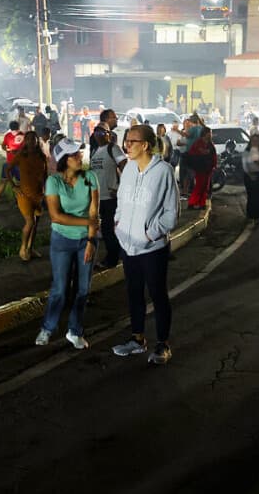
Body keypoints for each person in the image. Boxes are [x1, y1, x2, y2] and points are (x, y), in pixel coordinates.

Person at [111, 125, 180, 365]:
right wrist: (118, 224)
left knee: (158, 295)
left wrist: (150, 234)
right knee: (133, 293)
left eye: (131, 141)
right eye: (125, 141)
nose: (126, 146)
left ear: (146, 145)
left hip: (152, 249)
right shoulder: (128, 168)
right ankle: (137, 339)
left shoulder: (163, 171)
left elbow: (171, 213)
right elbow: (121, 201)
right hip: (128, 246)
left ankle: (163, 344)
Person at [35, 139, 100, 349]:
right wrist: (89, 222)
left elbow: (93, 211)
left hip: (86, 241)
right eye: (74, 155)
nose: (80, 156)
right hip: (62, 240)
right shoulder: (53, 182)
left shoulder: (90, 178)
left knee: (83, 289)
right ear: (64, 160)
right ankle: (48, 327)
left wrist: (91, 239)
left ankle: (74, 330)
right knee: (60, 289)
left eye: (79, 153)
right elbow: (56, 216)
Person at [7, 131, 48, 261]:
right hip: (24, 194)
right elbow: (8, 170)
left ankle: (30, 249)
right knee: (30, 222)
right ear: (25, 141)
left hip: (38, 194)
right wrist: (13, 186)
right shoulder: (21, 155)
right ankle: (23, 248)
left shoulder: (41, 157)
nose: (31, 141)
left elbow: (45, 175)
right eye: (29, 139)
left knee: (35, 224)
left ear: (37, 141)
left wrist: (47, 191)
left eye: (34, 139)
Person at [90, 128, 127, 270]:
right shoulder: (94, 151)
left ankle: (112, 259)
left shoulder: (113, 148)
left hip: (111, 197)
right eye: (96, 134)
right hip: (98, 197)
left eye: (102, 133)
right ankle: (115, 255)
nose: (99, 136)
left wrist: (119, 188)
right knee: (104, 230)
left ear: (108, 134)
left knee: (109, 229)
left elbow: (125, 167)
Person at [0, 121, 24, 206]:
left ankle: (17, 201)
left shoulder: (20, 136)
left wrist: (15, 151)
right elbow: (3, 145)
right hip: (12, 163)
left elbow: (26, 149)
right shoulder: (10, 136)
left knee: (11, 182)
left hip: (16, 164)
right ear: (18, 127)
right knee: (11, 182)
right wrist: (6, 149)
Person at [242, 133, 259, 223]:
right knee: (250, 196)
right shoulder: (247, 151)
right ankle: (250, 215)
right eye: (253, 140)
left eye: (257, 140)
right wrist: (250, 174)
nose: (255, 142)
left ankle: (257, 216)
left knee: (257, 196)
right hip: (248, 176)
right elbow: (244, 165)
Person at [186, 127, 216, 210]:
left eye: (211, 133)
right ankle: (192, 203)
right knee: (199, 186)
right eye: (209, 133)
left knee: (205, 186)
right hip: (200, 168)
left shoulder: (210, 143)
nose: (210, 134)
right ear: (205, 133)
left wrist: (214, 166)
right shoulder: (198, 142)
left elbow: (213, 155)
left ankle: (201, 203)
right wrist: (204, 152)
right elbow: (197, 152)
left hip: (208, 168)